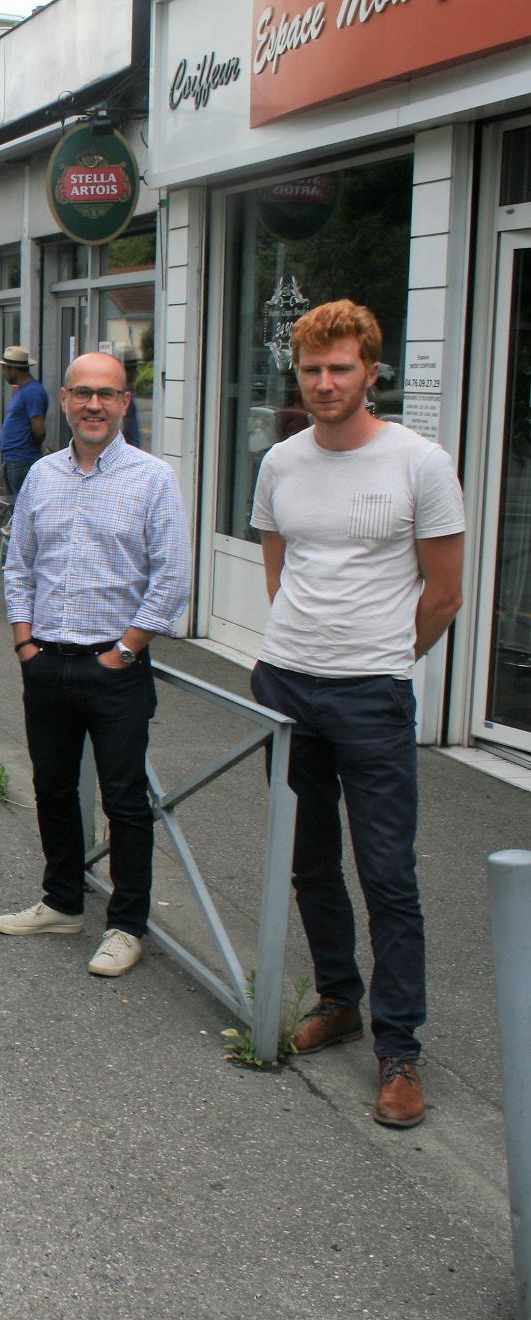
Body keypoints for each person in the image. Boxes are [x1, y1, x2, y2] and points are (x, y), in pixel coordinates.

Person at [247, 299, 463, 1129]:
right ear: (296, 374)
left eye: (341, 368)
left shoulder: (420, 463)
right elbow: (281, 573)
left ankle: (399, 1051)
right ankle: (338, 997)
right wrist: (304, 651)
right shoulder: (282, 462)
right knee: (307, 860)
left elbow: (442, 596)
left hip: (371, 692)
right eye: (312, 370)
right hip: (287, 686)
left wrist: (376, 657)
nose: (326, 382)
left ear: (372, 370)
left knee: (388, 874)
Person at [0, 351, 190, 977]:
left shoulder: (153, 479)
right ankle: (63, 901)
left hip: (116, 668)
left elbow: (172, 579)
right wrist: (24, 641)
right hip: (47, 660)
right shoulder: (43, 476)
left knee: (125, 799)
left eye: (108, 394)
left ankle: (127, 925)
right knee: (50, 787)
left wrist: (125, 650)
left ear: (125, 403)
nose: (95, 405)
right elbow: (18, 561)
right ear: (66, 402)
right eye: (82, 393)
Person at [0, 346, 47, 498]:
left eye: (4, 368)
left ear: (13, 370)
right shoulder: (24, 391)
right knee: (14, 508)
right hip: (13, 458)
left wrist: (27, 446)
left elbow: (39, 430)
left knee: (20, 509)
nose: (3, 373)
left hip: (22, 460)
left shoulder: (33, 391)